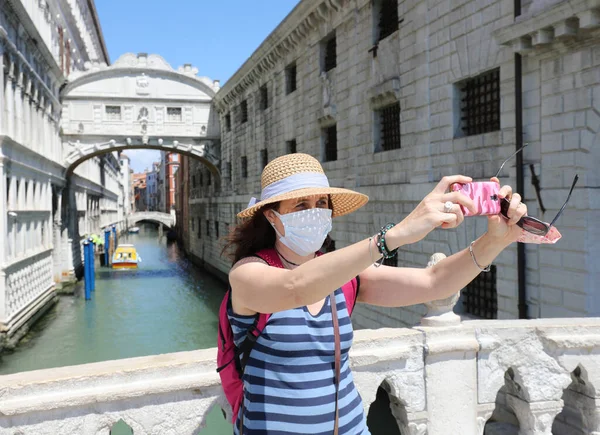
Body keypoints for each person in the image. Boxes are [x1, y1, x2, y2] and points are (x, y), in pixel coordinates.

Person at [224, 153, 527, 434]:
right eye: (300, 205)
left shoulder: (346, 278)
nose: (314, 212)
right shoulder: (248, 273)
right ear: (271, 216)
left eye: (321, 203)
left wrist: (496, 240)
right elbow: (295, 288)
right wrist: (392, 236)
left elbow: (435, 282)